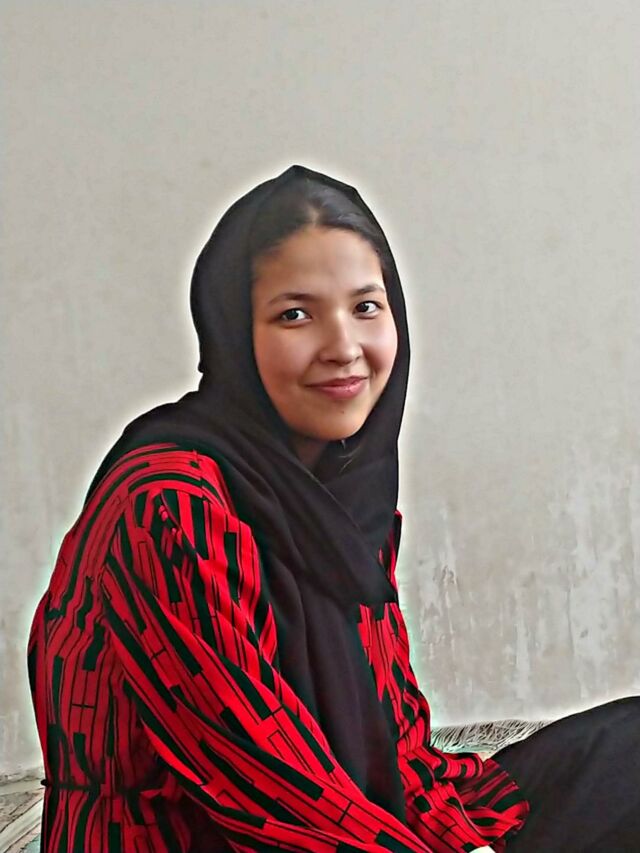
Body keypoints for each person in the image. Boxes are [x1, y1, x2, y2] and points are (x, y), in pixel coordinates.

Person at [28, 165, 639, 852]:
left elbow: (399, 746)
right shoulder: (167, 506)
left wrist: (464, 840)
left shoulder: (339, 486)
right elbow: (268, 792)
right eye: (296, 314)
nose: (344, 348)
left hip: (364, 815)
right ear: (234, 331)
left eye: (366, 307)